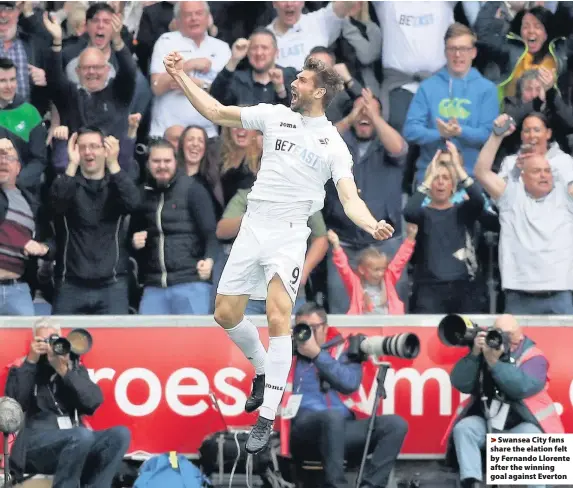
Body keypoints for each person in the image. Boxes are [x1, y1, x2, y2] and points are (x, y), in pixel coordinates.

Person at [163, 50, 395, 453]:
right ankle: (260, 370)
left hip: (290, 234)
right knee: (225, 314)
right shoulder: (274, 115)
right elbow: (216, 111)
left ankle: (266, 415)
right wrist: (180, 75)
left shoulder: (333, 145)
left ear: (319, 91)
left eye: (302, 81)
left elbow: (349, 199)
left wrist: (372, 223)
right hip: (254, 226)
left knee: (277, 316)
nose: (294, 84)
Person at [281, 303, 408, 488]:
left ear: (325, 327)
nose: (306, 335)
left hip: (342, 428)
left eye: (313, 329)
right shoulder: (286, 353)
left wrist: (317, 354)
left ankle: (370, 485)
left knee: (395, 424)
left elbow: (349, 384)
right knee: (332, 418)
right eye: (302, 329)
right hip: (304, 431)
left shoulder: (345, 349)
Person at [5, 319, 131, 487]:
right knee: (80, 435)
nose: (50, 346)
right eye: (44, 341)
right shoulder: (24, 366)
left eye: (54, 340)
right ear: (35, 342)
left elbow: (93, 402)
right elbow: (16, 405)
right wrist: (31, 362)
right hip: (34, 444)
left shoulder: (72, 367)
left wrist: (64, 371)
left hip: (75, 439)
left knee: (120, 434)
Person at [442, 314, 564, 488]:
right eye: (498, 333)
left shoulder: (535, 358)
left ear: (519, 336)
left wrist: (495, 363)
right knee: (465, 428)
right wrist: (475, 354)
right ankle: (472, 482)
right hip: (490, 422)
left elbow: (521, 387)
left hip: (523, 426)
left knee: (533, 438)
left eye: (508, 334)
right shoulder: (486, 350)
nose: (503, 339)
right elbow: (461, 383)